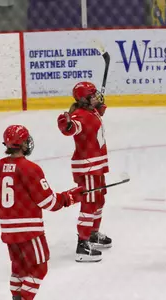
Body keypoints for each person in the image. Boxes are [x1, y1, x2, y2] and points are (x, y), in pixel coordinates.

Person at [0, 125, 85, 300]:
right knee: (39, 267)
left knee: (18, 268)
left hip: (8, 231)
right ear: (21, 144)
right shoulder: (30, 168)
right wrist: (71, 197)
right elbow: (49, 202)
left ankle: (16, 297)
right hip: (30, 231)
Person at [57, 81, 110, 262]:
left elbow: (92, 121)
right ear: (83, 99)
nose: (96, 97)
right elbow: (72, 128)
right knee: (89, 203)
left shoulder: (90, 111)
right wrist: (66, 125)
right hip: (88, 167)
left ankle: (93, 233)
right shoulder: (80, 115)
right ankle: (83, 243)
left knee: (99, 199)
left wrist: (97, 112)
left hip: (96, 164)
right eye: (92, 95)